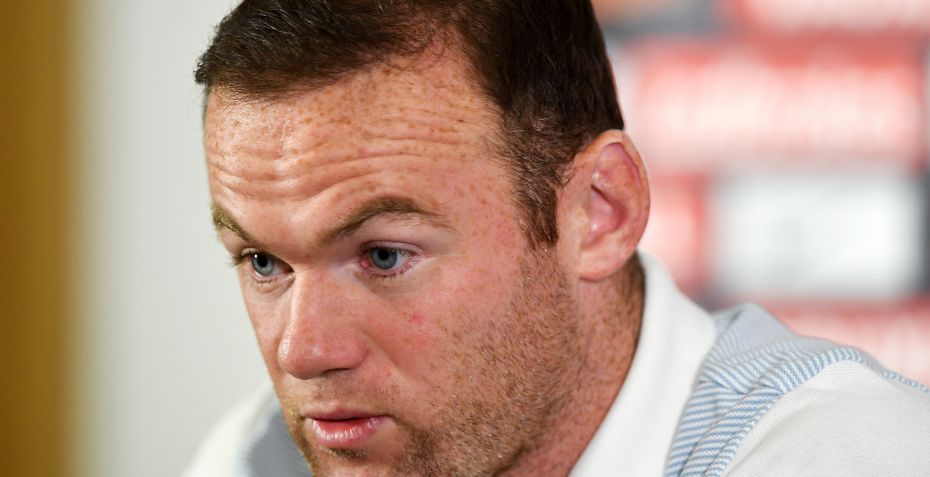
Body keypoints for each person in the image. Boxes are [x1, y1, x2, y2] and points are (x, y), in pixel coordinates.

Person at [185, 1, 930, 476]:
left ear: (600, 212)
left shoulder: (845, 454)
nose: (304, 352)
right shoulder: (254, 460)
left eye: (384, 256)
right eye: (263, 261)